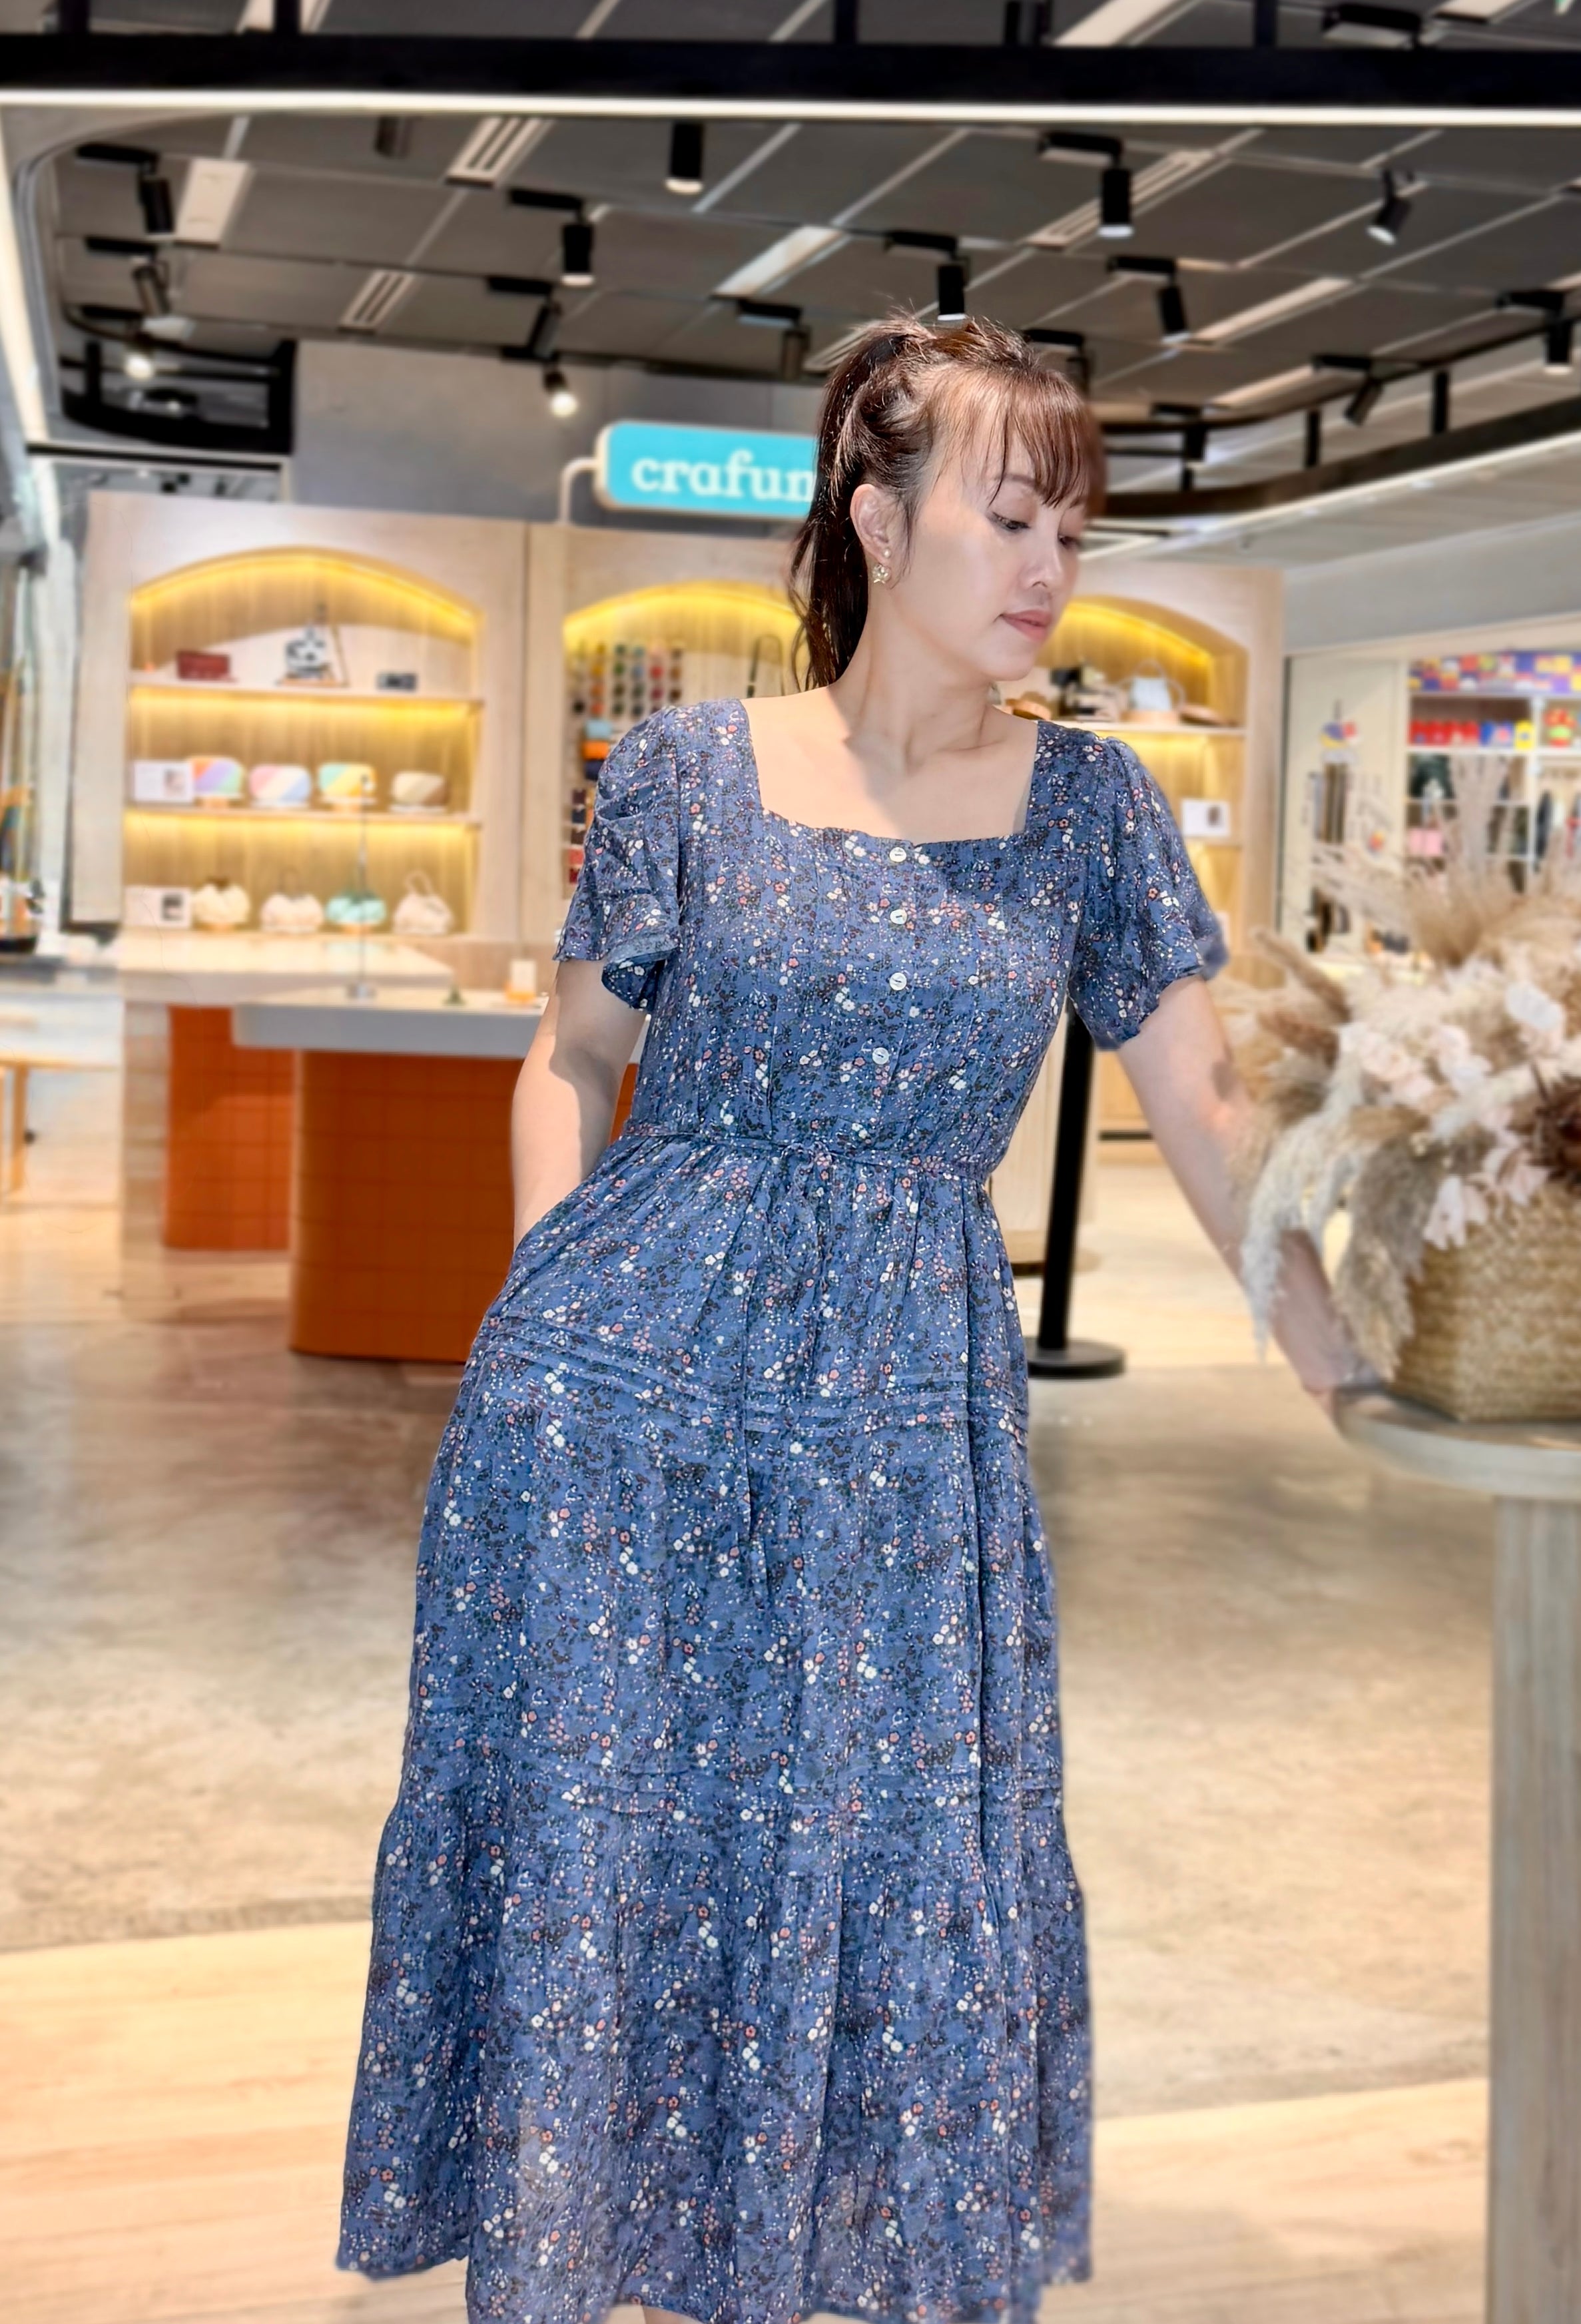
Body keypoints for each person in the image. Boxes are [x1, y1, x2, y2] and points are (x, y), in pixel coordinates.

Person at [337, 316, 1362, 2324]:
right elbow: (571, 1057)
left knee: (887, 1828)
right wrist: (539, 1308)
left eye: (1074, 526)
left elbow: (1215, 1113)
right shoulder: (692, 770)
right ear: (880, 524)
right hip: (623, 1395)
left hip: (902, 1415)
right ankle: (599, 2244)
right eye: (1011, 517)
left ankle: (815, 2254)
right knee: (610, 1831)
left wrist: (1350, 1365)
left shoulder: (1091, 807)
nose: (1053, 566)